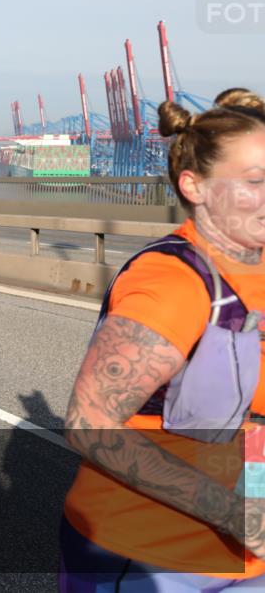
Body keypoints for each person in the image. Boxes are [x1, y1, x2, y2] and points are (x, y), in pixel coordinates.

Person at [61, 88, 265, 591]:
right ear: (194, 186)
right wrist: (234, 512)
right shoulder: (173, 283)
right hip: (153, 556)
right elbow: (90, 423)